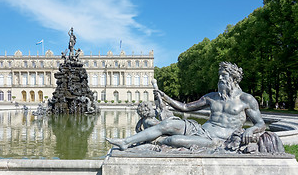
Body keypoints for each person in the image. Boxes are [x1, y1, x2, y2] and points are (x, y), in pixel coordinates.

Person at [106, 62, 266, 151]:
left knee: (174, 140)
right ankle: (126, 142)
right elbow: (185, 108)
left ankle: (152, 142)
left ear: (233, 79)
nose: (220, 79)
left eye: (223, 76)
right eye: (219, 77)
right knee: (167, 124)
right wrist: (166, 98)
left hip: (217, 139)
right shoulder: (212, 97)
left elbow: (260, 123)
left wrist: (251, 129)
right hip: (200, 129)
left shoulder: (246, 99)